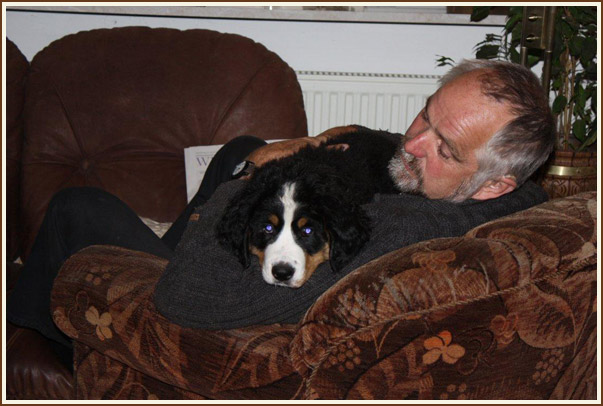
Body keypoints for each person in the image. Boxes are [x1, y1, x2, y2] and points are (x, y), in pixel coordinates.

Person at [7, 59, 554, 353]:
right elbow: (390, 143)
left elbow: (186, 297)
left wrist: (258, 177)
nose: (413, 144)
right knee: (241, 148)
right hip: (227, 252)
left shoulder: (398, 227)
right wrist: (320, 142)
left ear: (493, 186)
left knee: (77, 208)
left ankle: (25, 338)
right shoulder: (490, 190)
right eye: (425, 115)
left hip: (194, 288)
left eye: (444, 147)